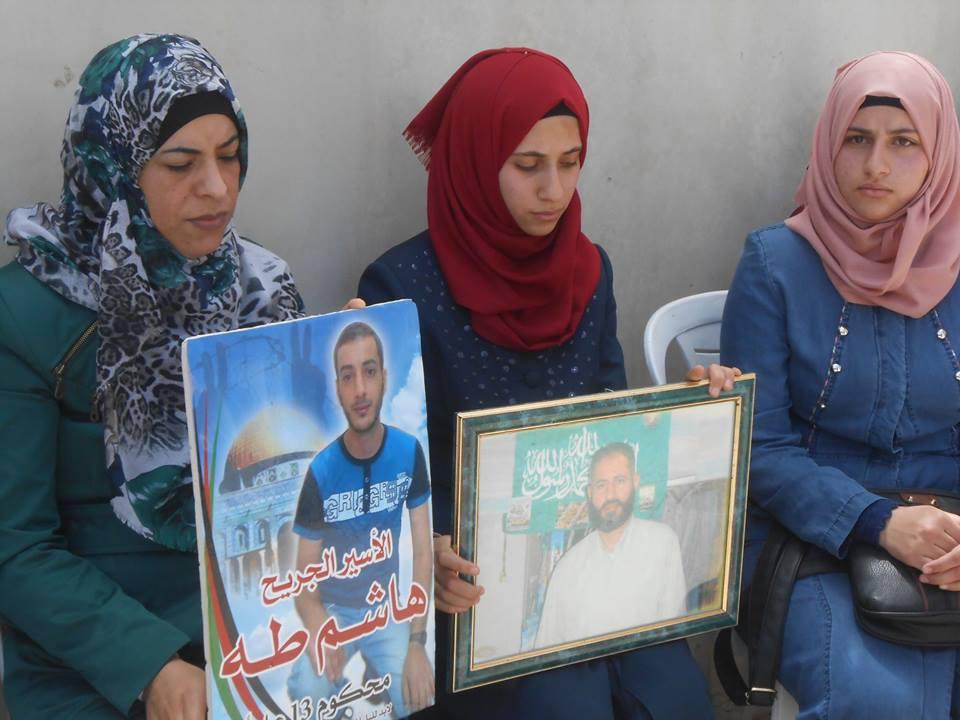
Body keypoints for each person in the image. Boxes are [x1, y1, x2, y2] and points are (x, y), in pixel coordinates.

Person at [358, 47, 736, 720]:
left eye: (570, 162)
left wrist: (685, 410)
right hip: (474, 592)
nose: (554, 191)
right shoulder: (401, 288)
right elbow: (389, 471)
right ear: (475, 163)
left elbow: (610, 416)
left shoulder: (587, 271)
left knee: (676, 696)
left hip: (602, 565)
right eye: (528, 166)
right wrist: (431, 551)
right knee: (567, 704)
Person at [0, 34, 310, 719]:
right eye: (180, 163)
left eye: (230, 155)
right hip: (94, 671)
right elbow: (15, 549)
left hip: (257, 640)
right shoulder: (24, 315)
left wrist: (349, 373)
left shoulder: (263, 292)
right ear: (113, 167)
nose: (217, 188)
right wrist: (149, 666)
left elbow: (297, 495)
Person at [721, 51, 960, 718]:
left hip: (951, 529)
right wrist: (878, 522)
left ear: (939, 153)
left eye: (904, 142)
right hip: (809, 536)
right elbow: (758, 448)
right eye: (857, 138)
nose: (876, 164)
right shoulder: (775, 264)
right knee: (875, 695)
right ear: (829, 143)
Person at [288, 321, 434, 717]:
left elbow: (423, 553)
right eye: (348, 376)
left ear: (384, 377)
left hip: (384, 609)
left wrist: (417, 642)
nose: (361, 390)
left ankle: (380, 666)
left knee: (418, 694)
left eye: (369, 371)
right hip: (334, 610)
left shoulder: (409, 451)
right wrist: (319, 625)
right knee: (306, 691)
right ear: (337, 388)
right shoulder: (322, 471)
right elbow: (303, 578)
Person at [534, 442, 686, 649]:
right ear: (590, 492)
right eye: (601, 485)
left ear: (635, 482)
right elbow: (547, 648)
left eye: (620, 481)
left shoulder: (662, 544)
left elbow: (673, 634)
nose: (610, 494)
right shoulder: (567, 568)